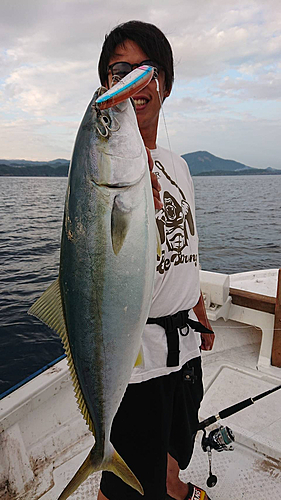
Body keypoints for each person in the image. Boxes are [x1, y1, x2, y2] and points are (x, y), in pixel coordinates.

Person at [97, 20, 215, 500]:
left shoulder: (180, 164)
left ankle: (177, 489)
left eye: (141, 69)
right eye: (115, 70)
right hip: (138, 360)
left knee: (171, 453)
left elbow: (185, 245)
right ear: (107, 87)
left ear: (162, 82)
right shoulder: (103, 168)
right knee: (122, 486)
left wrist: (200, 307)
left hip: (184, 347)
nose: (129, 80)